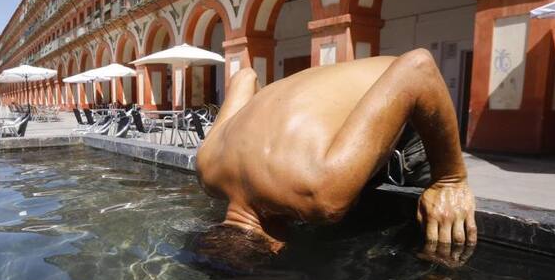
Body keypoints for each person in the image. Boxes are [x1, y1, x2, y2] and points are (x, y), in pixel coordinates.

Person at [194, 48, 476, 267]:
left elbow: (419, 67)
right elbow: (245, 77)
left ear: (277, 247)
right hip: (361, 89)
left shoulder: (321, 194)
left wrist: (449, 180)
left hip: (410, 101)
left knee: (436, 249)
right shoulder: (206, 168)